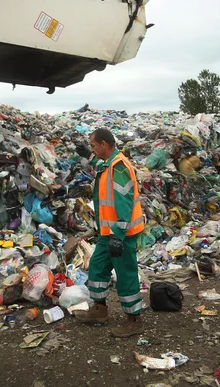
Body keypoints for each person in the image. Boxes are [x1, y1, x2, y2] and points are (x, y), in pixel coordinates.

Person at [75, 128, 146, 337]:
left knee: (125, 273)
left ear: (104, 144)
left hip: (121, 233)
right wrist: (87, 156)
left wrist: (118, 235)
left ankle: (134, 319)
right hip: (109, 232)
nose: (93, 150)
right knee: (97, 265)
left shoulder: (120, 167)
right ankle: (99, 310)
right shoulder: (108, 163)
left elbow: (124, 203)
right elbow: (99, 165)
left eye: (94, 146)